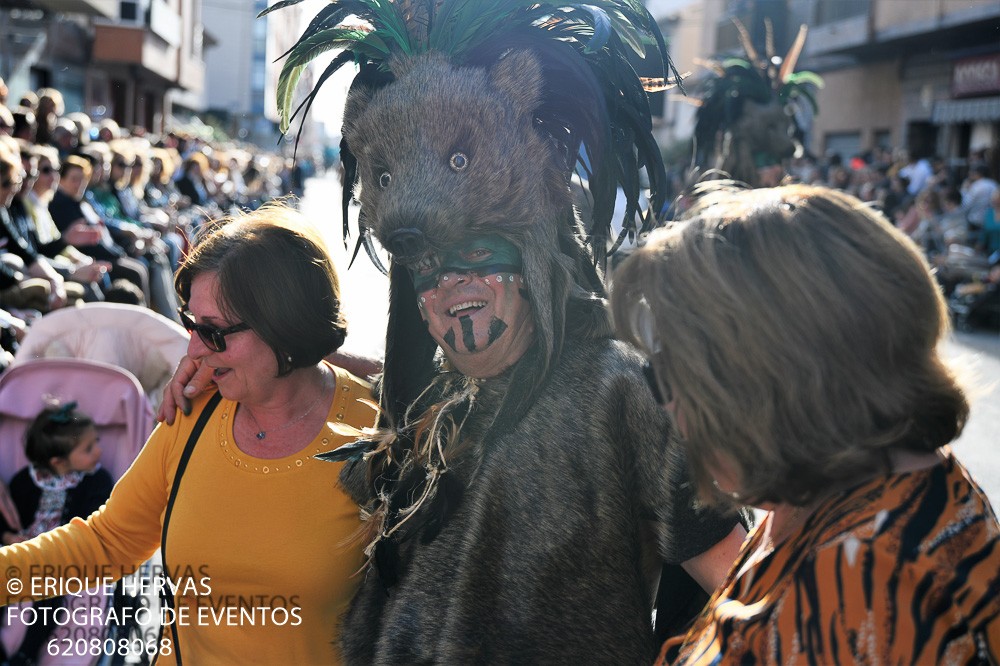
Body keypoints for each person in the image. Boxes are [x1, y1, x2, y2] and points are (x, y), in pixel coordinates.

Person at [161, 2, 745, 662]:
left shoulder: (620, 391)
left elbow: (744, 594)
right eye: (429, 274)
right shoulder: (434, 400)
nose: (449, 292)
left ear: (532, 258)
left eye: (479, 261)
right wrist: (221, 351)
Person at [611, 182, 1000, 664]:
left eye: (673, 374)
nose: (666, 406)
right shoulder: (866, 485)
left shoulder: (859, 595)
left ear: (775, 374)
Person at [1, 204, 378, 664]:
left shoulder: (378, 428)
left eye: (214, 332)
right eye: (191, 325)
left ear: (286, 325)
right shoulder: (196, 410)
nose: (194, 349)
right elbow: (108, 542)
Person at [0, 401, 112, 664]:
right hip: (27, 552)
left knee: (50, 594)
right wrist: (8, 537)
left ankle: (26, 653)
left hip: (64, 555)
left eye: (96, 441)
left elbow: (92, 522)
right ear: (58, 461)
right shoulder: (24, 482)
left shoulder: (98, 481)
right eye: (88, 448)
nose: (99, 451)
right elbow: (9, 519)